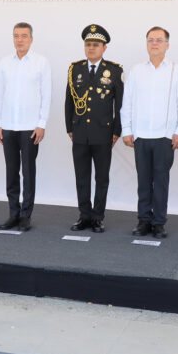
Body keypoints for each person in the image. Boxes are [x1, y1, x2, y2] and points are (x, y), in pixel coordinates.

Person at [120, 26, 178, 239]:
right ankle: (143, 220)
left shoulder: (176, 70)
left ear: (167, 45)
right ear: (146, 44)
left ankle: (159, 222)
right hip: (141, 136)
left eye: (159, 40)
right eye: (151, 40)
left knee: (160, 181)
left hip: (165, 137)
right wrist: (127, 130)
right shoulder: (136, 70)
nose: (155, 43)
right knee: (143, 181)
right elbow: (127, 102)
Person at [65, 24, 124, 233]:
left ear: (104, 48)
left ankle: (98, 217)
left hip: (103, 133)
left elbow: (120, 104)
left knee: (101, 178)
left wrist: (117, 131)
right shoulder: (75, 69)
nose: (91, 48)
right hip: (79, 133)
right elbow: (69, 102)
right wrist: (69, 128)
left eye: (96, 44)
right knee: (81, 176)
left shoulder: (114, 71)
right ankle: (84, 216)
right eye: (88, 44)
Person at [0, 22, 51, 231]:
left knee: (28, 171)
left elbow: (46, 95)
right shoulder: (4, 63)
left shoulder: (40, 62)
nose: (20, 39)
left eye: (24, 36)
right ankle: (13, 213)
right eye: (16, 35)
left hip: (30, 127)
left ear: (31, 39)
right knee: (11, 172)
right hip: (8, 126)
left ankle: (26, 215)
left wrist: (41, 124)